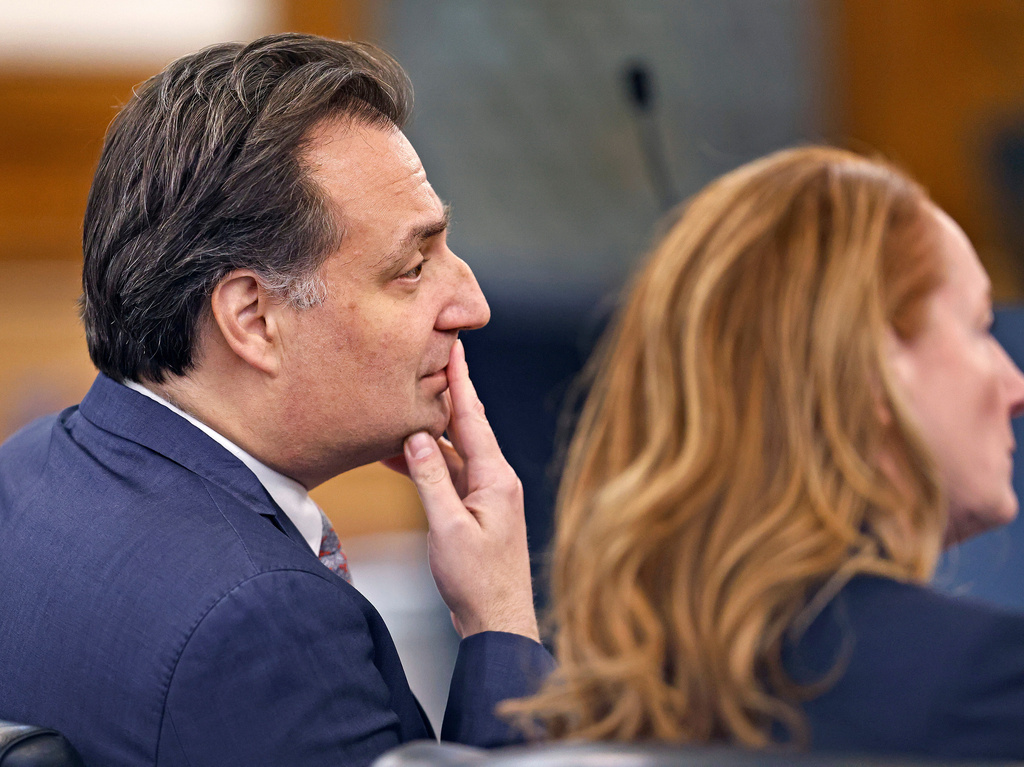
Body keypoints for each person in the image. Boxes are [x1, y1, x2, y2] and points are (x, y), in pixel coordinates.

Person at [0, 33, 551, 767]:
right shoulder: (267, 626)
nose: (471, 304)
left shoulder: (27, 466)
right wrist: (500, 616)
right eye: (413, 267)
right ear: (254, 320)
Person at [507, 146, 1024, 758]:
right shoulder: (988, 683)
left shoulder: (607, 704)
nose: (1015, 386)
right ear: (876, 369)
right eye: (978, 327)